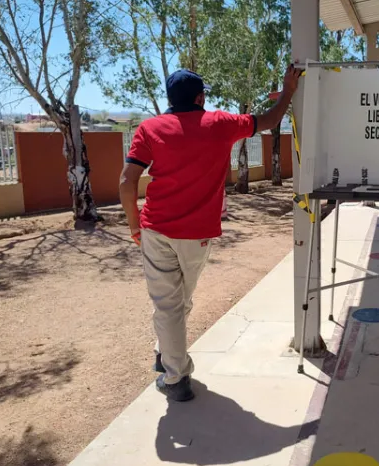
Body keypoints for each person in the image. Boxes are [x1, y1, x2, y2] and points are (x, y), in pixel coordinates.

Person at [119, 65, 302, 401]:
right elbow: (271, 121)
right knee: (176, 302)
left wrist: (134, 225)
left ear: (170, 100)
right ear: (200, 97)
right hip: (197, 234)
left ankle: (167, 357)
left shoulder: (149, 128)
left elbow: (127, 181)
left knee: (174, 303)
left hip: (155, 228)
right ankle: (175, 376)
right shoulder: (220, 124)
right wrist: (288, 90)